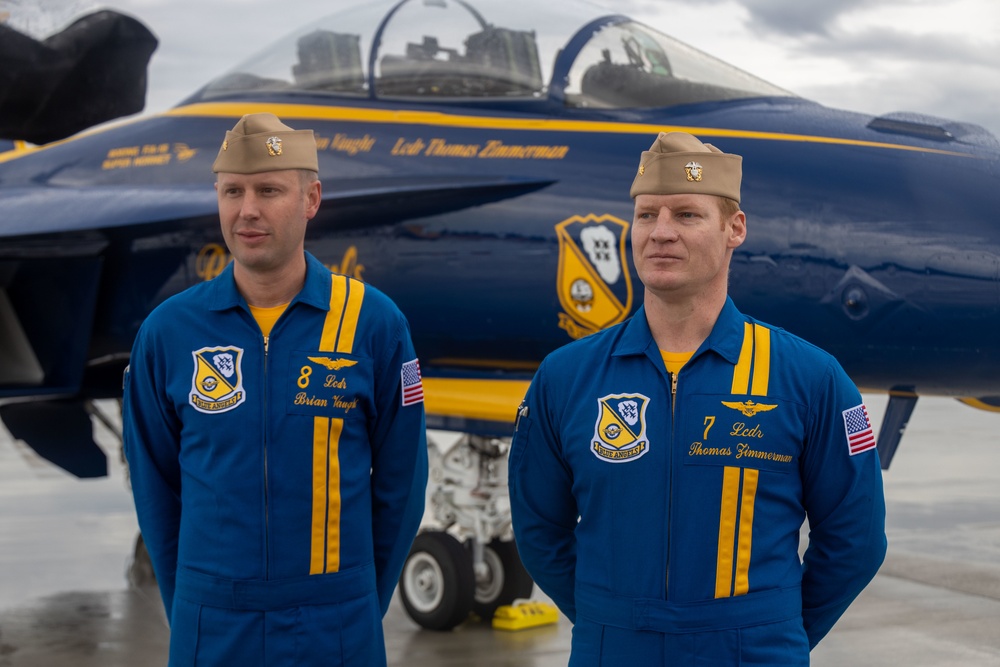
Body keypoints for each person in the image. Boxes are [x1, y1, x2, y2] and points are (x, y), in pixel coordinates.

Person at [508, 132, 886, 665]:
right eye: (646, 215)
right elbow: (538, 530)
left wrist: (771, 632)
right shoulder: (566, 377)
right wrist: (610, 619)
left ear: (735, 229)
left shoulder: (810, 379)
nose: (660, 233)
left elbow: (857, 540)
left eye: (686, 215)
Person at [123, 113, 428, 666]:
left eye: (269, 190)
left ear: (311, 198)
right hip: (211, 623)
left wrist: (354, 599)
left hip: (334, 622)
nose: (248, 211)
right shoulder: (168, 332)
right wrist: (195, 599)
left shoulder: (373, 324)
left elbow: (402, 487)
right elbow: (154, 487)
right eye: (232, 191)